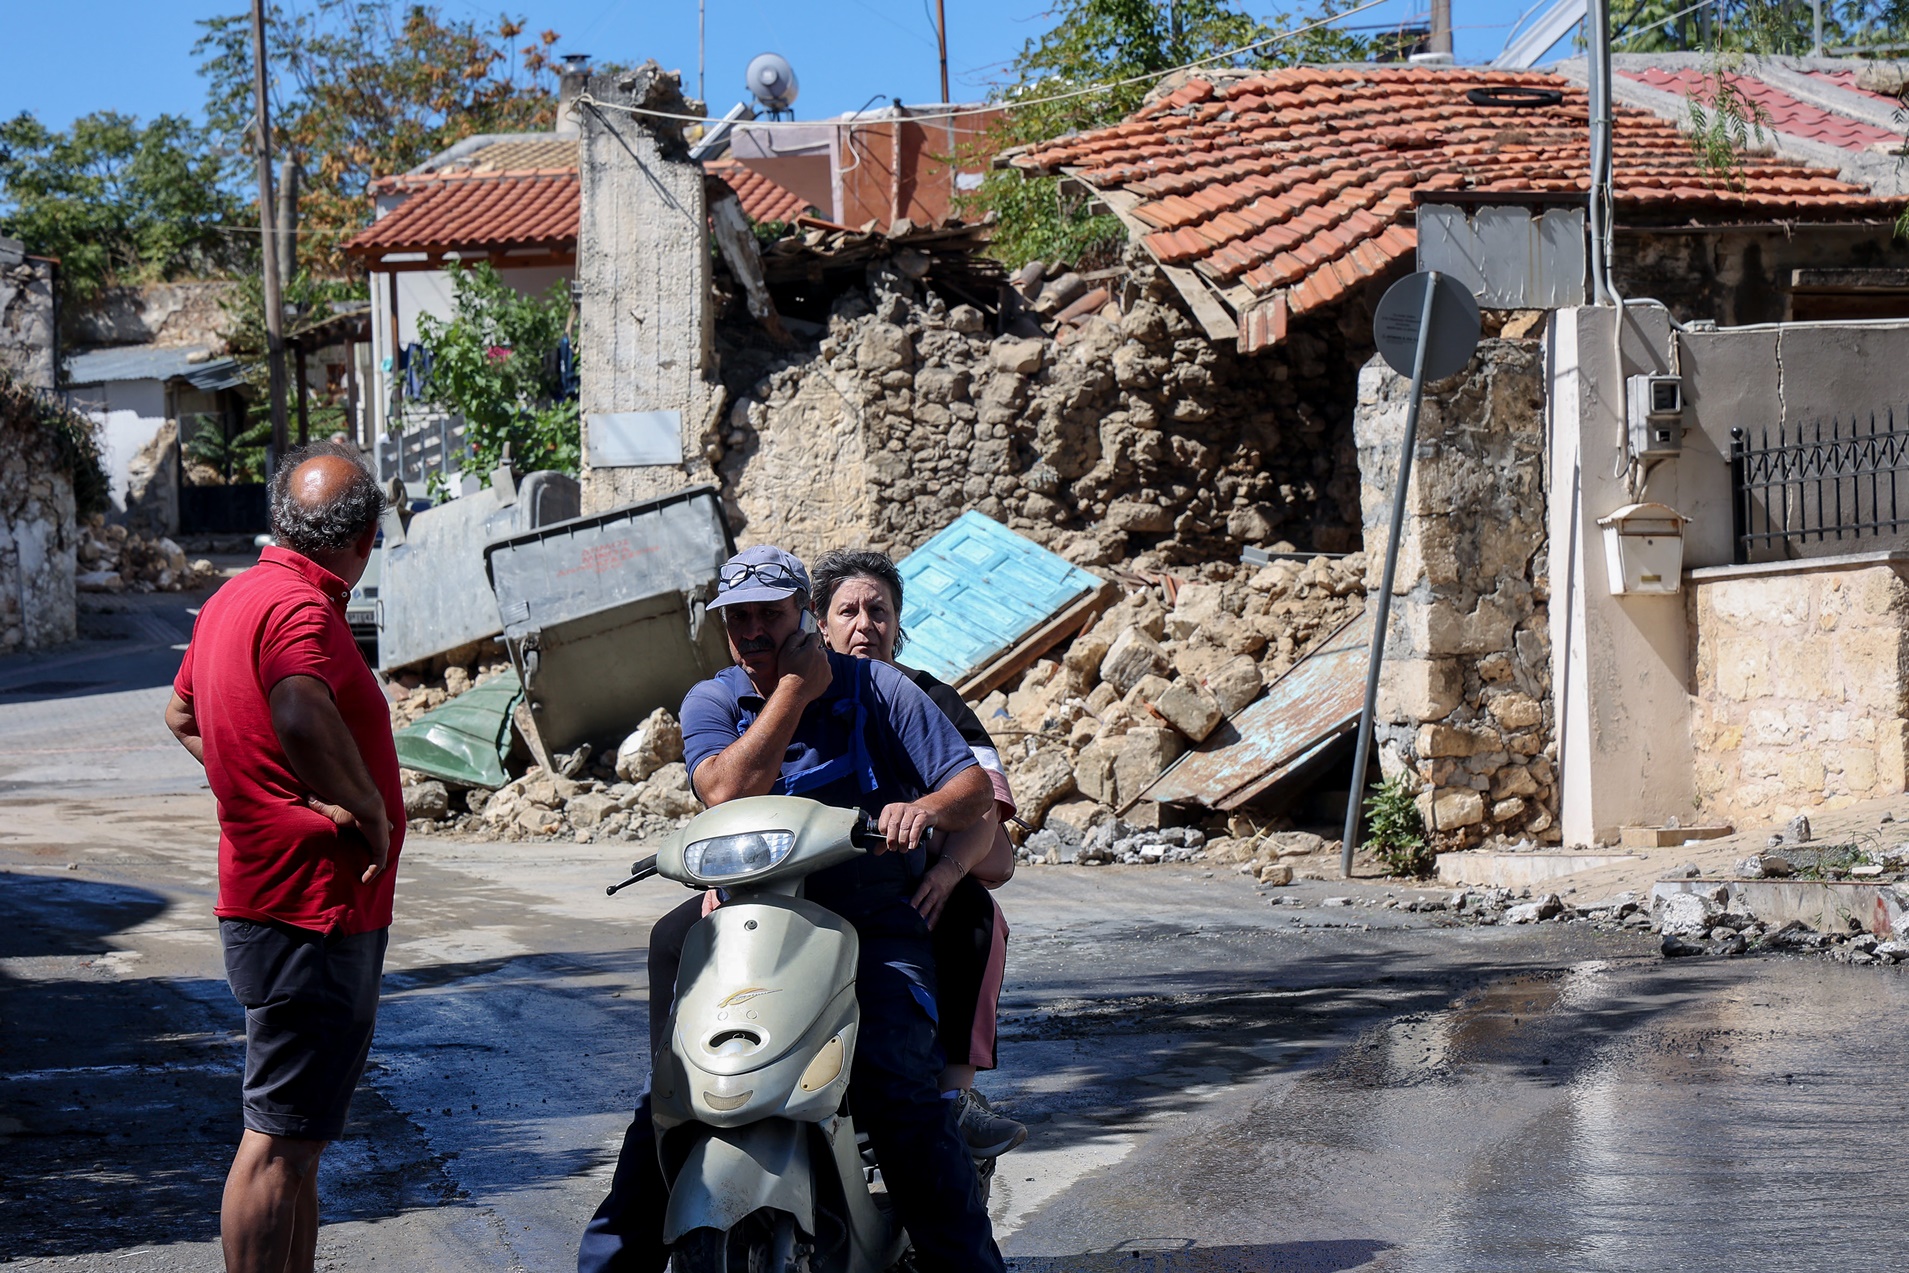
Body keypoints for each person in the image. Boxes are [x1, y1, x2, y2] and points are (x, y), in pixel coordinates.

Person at [578, 546, 1007, 1273]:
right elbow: (725, 791)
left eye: (769, 615)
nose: (752, 630)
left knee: (896, 1088)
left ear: (801, 616)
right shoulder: (711, 700)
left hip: (868, 912)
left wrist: (921, 809)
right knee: (676, 1092)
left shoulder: (884, 689)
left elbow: (969, 791)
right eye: (737, 617)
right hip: (751, 911)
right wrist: (791, 692)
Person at [163, 442, 397, 1273]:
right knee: (276, 1143)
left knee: (299, 1144)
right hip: (313, 908)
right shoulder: (302, 609)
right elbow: (298, 708)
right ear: (366, 538)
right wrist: (365, 806)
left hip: (276, 899)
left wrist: (255, 790)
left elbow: (182, 716)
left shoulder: (236, 596)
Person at [808, 548, 1028, 1159]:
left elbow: (993, 844)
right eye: (846, 610)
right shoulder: (790, 701)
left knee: (973, 911)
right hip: (811, 885)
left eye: (878, 610)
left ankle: (954, 1099)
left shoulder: (934, 701)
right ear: (818, 624)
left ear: (899, 625)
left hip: (903, 887)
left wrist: (943, 864)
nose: (863, 624)